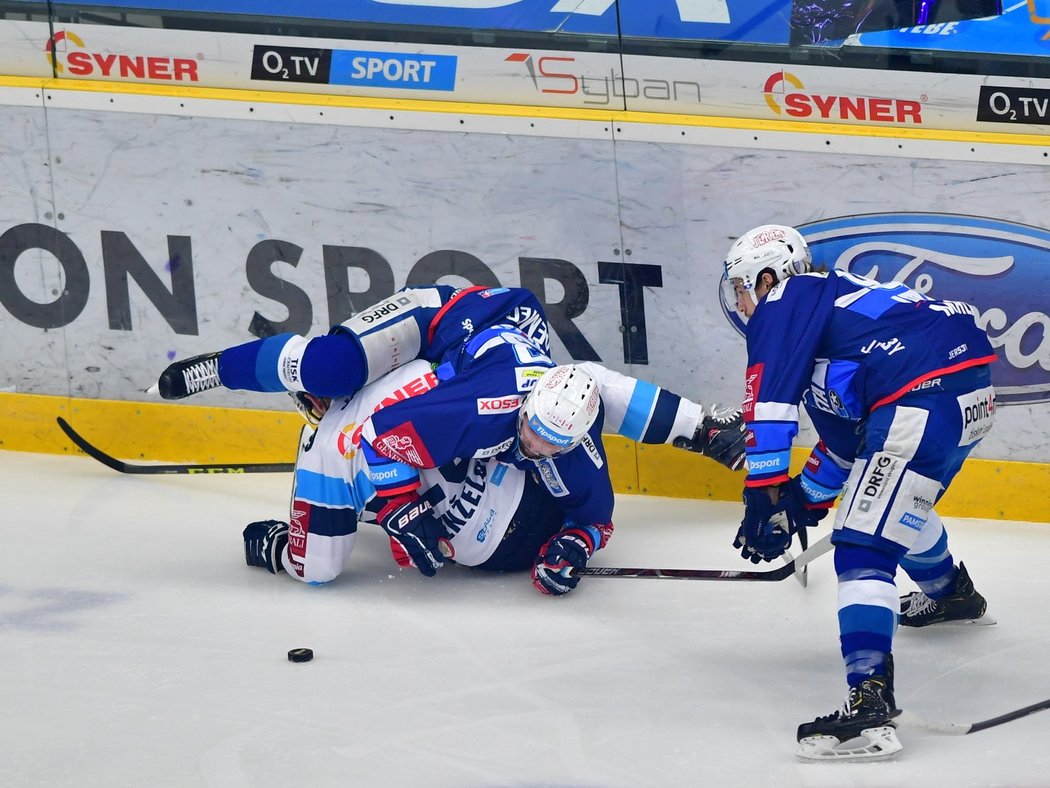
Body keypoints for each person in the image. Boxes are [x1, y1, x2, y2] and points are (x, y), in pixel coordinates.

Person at [157, 285, 746, 595]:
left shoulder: (552, 430)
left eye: (551, 444)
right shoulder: (475, 411)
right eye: (534, 435)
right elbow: (380, 439)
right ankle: (224, 367)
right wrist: (399, 509)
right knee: (334, 367)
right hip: (436, 326)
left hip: (465, 375)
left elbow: (593, 511)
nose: (537, 449)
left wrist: (577, 542)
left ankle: (702, 427)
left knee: (585, 385)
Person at [721, 224, 997, 760]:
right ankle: (951, 595)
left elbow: (769, 400)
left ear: (769, 275)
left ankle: (871, 710)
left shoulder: (786, 299)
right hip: (964, 390)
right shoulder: (834, 321)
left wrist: (764, 488)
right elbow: (851, 444)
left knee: (862, 543)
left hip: (922, 393)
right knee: (897, 503)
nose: (740, 301)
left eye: (740, 286)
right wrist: (800, 499)